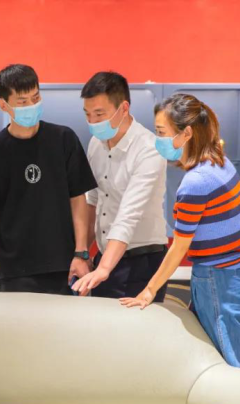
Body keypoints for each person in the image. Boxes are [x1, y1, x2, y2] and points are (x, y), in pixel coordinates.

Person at [120, 94, 240, 368]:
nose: (157, 139)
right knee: (238, 362)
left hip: (217, 280)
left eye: (161, 132)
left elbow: (179, 247)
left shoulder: (195, 183)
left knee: (227, 367)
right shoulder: (221, 163)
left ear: (186, 133)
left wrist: (149, 291)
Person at [0, 64, 98, 295]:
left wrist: (81, 253)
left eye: (35, 98)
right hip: (15, 272)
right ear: (3, 105)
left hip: (64, 267)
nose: (31, 105)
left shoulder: (64, 140)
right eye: (22, 101)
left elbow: (78, 200)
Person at [71, 71, 168, 299]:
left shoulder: (149, 149)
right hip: (105, 257)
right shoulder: (96, 143)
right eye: (87, 114)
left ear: (124, 108)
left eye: (99, 114)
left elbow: (128, 215)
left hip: (142, 261)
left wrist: (104, 269)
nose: (92, 122)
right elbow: (93, 201)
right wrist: (82, 254)